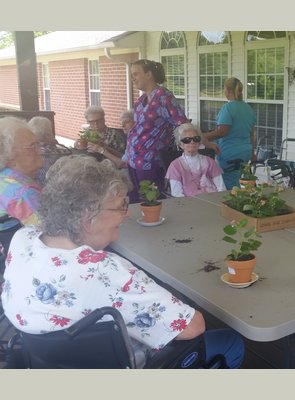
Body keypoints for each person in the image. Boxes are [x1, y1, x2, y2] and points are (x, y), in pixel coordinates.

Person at [0, 155, 244, 368]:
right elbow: (193, 327)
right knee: (230, 341)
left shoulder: (23, 240)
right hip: (129, 365)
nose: (127, 213)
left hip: (49, 361)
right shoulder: (105, 270)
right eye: (120, 206)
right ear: (88, 218)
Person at [125, 59, 189, 203]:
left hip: (150, 162)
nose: (132, 78)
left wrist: (202, 143)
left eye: (135, 74)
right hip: (133, 160)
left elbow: (182, 123)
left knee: (152, 202)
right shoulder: (142, 100)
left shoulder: (163, 96)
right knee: (136, 202)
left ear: (149, 75)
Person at [0, 117, 43, 270]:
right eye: (32, 146)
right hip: (16, 270)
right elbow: (48, 237)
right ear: (9, 154)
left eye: (38, 144)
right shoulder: (23, 194)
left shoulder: (4, 178)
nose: (40, 150)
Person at [202, 77, 256, 190]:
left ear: (228, 90)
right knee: (236, 180)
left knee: (225, 184)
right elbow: (251, 134)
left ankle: (229, 206)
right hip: (245, 152)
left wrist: (203, 136)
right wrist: (253, 152)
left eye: (224, 89)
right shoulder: (248, 108)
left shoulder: (228, 108)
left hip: (230, 152)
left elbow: (222, 132)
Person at [165, 123, 226, 196]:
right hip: (188, 204)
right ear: (180, 144)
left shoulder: (210, 162)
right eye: (187, 140)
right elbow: (177, 195)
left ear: (199, 142)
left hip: (212, 200)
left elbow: (221, 188)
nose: (192, 142)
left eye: (196, 139)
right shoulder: (175, 166)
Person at [27, 116, 71, 186]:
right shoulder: (60, 152)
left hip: (37, 187)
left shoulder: (28, 153)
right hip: (56, 187)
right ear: (48, 135)